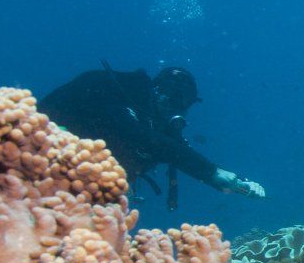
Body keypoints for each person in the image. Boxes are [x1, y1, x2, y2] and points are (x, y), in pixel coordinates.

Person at [41, 64, 265, 207]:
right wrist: (210, 172)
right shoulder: (121, 94)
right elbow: (142, 136)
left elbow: (169, 147)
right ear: (159, 90)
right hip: (39, 155)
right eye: (177, 100)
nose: (178, 109)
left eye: (184, 104)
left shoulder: (147, 117)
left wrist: (235, 182)